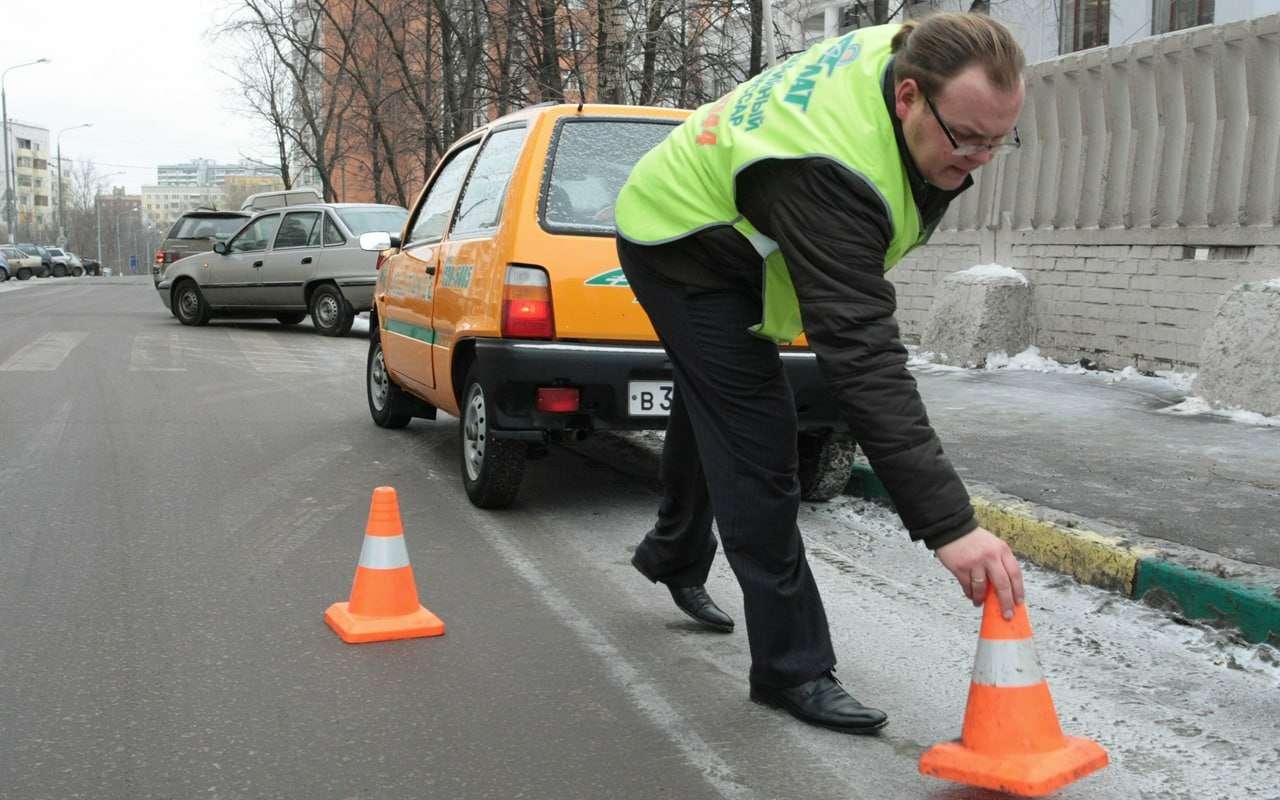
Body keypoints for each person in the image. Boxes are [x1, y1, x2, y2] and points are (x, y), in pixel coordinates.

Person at [613, 13, 1028, 735]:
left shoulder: (918, 47)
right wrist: (949, 526)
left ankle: (673, 552)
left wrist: (959, 146)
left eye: (999, 141)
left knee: (720, 405)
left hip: (738, 225)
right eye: (966, 137)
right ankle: (791, 667)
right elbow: (864, 358)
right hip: (678, 241)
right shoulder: (831, 172)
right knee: (761, 449)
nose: (980, 158)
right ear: (908, 97)